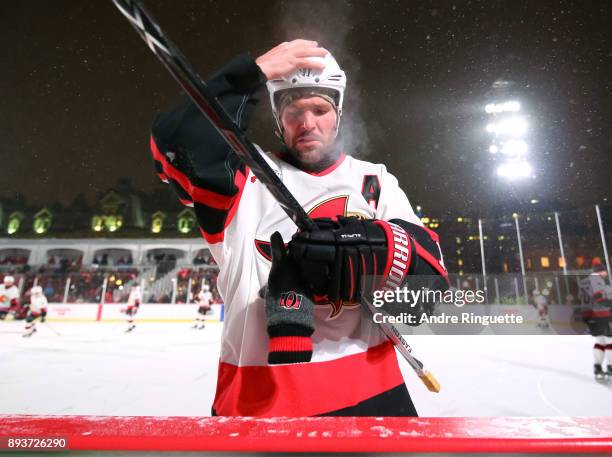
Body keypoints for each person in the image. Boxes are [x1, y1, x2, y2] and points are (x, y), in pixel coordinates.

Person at [150, 39, 448, 416]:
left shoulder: (374, 181)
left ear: (338, 112)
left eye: (320, 109)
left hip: (373, 397)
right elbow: (173, 145)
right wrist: (247, 77)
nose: (307, 123)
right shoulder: (243, 176)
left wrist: (377, 248)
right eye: (292, 109)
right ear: (277, 117)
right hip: (260, 406)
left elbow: (428, 290)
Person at [581, 258, 612, 380]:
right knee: (610, 341)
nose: (606, 273)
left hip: (591, 315)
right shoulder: (596, 278)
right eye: (605, 271)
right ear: (600, 271)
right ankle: (610, 367)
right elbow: (599, 296)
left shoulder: (587, 281)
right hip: (602, 315)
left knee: (600, 341)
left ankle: (597, 367)